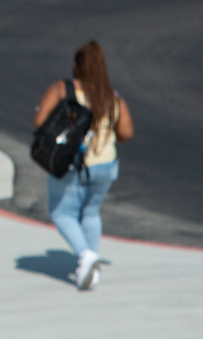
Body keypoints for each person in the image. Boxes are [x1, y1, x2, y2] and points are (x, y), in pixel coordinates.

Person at [32, 39, 134, 291]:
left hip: (73, 164)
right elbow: (127, 133)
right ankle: (92, 268)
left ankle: (86, 256)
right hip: (106, 165)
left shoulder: (62, 89)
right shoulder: (113, 97)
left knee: (62, 212)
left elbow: (39, 122)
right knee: (90, 212)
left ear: (77, 65)